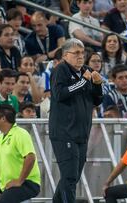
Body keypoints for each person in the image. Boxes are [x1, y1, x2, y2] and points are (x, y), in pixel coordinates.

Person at [49, 38, 103, 203]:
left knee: (72, 177)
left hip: (81, 133)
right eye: (76, 53)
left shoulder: (86, 71)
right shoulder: (61, 70)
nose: (80, 56)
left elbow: (96, 101)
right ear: (66, 55)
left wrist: (98, 85)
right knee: (70, 177)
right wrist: (83, 82)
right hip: (64, 133)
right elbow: (60, 94)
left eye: (82, 53)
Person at [0, 104, 41, 203]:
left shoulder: (20, 134)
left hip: (27, 183)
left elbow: (30, 157)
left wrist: (19, 181)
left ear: (3, 118)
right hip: (5, 183)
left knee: (3, 201)